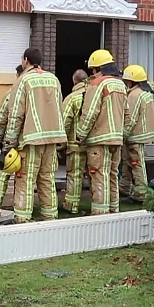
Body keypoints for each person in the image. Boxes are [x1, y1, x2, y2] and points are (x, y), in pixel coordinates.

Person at [3, 48, 67, 223]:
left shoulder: (23, 81)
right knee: (47, 179)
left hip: (31, 140)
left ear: (25, 60)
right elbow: (60, 109)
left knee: (25, 179)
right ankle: (50, 215)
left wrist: (9, 142)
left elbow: (16, 114)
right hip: (53, 139)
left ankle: (22, 218)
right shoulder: (53, 79)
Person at [76, 49, 128, 215]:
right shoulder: (121, 84)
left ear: (98, 68)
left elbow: (90, 112)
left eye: (93, 70)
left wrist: (80, 134)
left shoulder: (97, 84)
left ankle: (100, 215)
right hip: (116, 139)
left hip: (99, 140)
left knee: (99, 176)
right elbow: (126, 113)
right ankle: (114, 211)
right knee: (113, 175)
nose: (92, 73)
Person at [0, 65, 24, 209]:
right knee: (23, 179)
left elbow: (2, 118)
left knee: (2, 175)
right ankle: (21, 208)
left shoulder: (12, 94)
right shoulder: (35, 93)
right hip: (28, 142)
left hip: (11, 141)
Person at [119, 65, 154, 203]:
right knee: (128, 162)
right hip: (140, 134)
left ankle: (140, 194)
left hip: (134, 136)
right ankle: (124, 188)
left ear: (131, 80)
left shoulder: (134, 95)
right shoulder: (144, 93)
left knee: (136, 164)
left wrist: (122, 135)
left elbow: (131, 118)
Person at [60, 69, 90, 214]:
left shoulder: (72, 98)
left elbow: (64, 122)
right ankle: (99, 205)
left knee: (74, 176)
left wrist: (61, 143)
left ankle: (72, 205)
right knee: (97, 177)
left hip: (75, 145)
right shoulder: (95, 95)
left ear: (74, 81)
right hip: (95, 146)